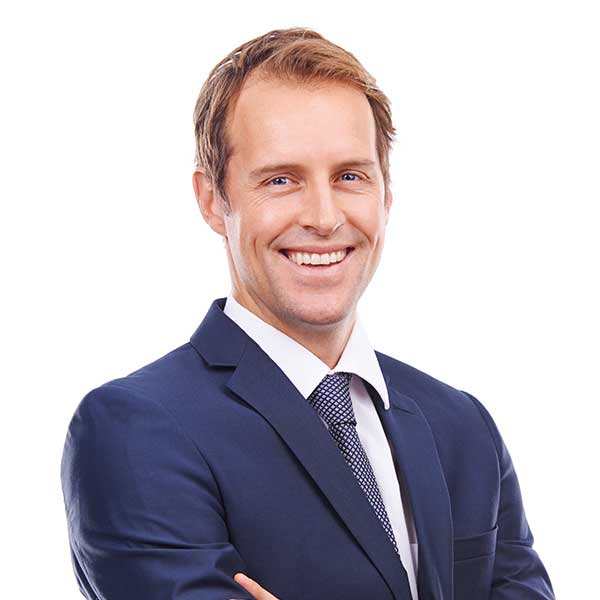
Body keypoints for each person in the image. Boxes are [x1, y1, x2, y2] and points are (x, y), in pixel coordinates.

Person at [60, 27, 555, 600]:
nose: (324, 217)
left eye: (350, 176)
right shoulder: (135, 430)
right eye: (281, 180)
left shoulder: (462, 426)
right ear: (212, 199)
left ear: (386, 194)